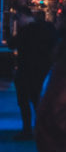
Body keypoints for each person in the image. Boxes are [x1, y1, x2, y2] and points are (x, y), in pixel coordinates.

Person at [7, 7, 56, 140]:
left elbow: (12, 43)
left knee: (23, 100)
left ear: (22, 16)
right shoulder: (46, 28)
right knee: (36, 99)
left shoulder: (26, 31)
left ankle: (27, 129)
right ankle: (43, 128)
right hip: (41, 68)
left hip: (25, 68)